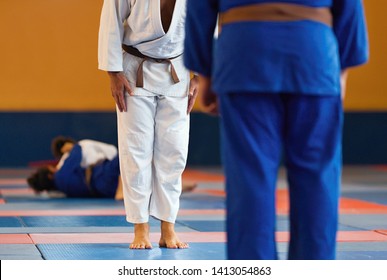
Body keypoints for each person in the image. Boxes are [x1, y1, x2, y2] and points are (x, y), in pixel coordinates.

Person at [184, 0, 368, 259]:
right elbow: (349, 7)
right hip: (313, 55)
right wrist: (341, 71)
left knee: (249, 177)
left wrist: (205, 72)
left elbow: (199, 7)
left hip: (245, 56)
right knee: (317, 179)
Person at [98, 0, 199, 249]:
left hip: (178, 71)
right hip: (133, 72)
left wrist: (202, 74)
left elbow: (207, 24)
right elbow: (111, 21)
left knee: (174, 153)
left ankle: (168, 228)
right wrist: (113, 73)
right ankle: (140, 227)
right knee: (136, 151)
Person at [27, 138, 121, 199]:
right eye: (52, 168)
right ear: (50, 176)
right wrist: (72, 146)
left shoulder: (61, 191)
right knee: (126, 154)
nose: (56, 168)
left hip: (103, 190)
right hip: (102, 176)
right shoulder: (61, 176)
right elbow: (77, 155)